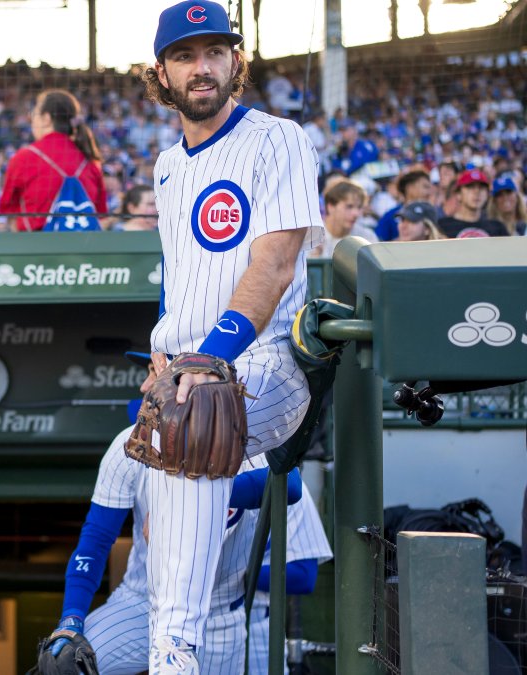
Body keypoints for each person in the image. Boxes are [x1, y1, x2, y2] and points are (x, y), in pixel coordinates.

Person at [135, 2, 324, 670]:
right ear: (162, 72)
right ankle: (170, 646)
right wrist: (165, 353)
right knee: (165, 436)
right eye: (185, 55)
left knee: (192, 419)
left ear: (234, 61)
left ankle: (174, 651)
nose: (202, 66)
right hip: (191, 364)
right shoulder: (167, 164)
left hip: (269, 360)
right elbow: (179, 277)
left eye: (215, 51)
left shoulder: (278, 139)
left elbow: (274, 268)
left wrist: (207, 359)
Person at [50, 421, 304, 674]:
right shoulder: (134, 442)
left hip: (218, 616)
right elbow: (96, 539)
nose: (147, 389)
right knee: (66, 665)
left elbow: (291, 483)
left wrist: (196, 497)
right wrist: (72, 616)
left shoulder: (251, 440)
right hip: (143, 602)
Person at [246, 486, 333, 675]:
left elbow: (304, 576)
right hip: (183, 622)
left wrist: (236, 576)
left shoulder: (286, 481)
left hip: (257, 627)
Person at [0, 89, 107, 231]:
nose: (31, 120)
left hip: (35, 242)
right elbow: (101, 216)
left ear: (46, 118)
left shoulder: (24, 158)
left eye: (34, 114)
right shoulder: (90, 159)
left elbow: (8, 212)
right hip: (84, 243)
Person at [311, 179, 377, 258]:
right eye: (349, 206)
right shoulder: (311, 238)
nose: (356, 213)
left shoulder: (367, 238)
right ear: (330, 206)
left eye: (359, 207)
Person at [437, 168, 507, 238]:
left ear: (487, 194)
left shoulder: (497, 228)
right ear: (459, 194)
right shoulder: (442, 226)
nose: (477, 192)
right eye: (470, 187)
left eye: (482, 187)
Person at [373, 169, 433, 241]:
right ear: (410, 188)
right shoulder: (391, 216)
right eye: (425, 187)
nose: (430, 192)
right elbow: (378, 243)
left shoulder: (432, 214)